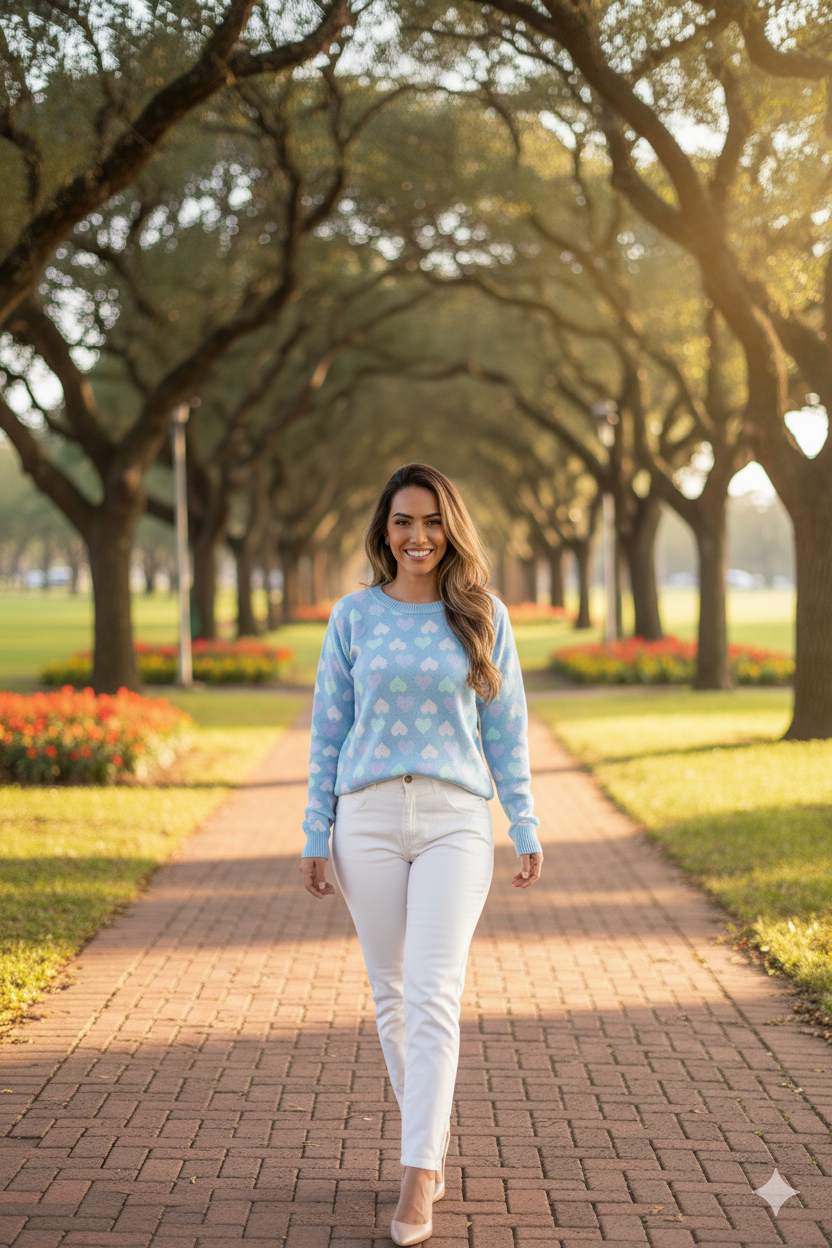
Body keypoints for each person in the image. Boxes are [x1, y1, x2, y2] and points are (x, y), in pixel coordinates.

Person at [300, 462, 543, 1246]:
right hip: (364, 818)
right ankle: (430, 1147)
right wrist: (314, 832)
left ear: (452, 529)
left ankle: (415, 1179)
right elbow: (327, 733)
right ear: (384, 530)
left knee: (435, 992)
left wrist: (525, 822)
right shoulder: (353, 618)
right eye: (404, 521)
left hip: (454, 819)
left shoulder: (482, 615)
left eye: (433, 521)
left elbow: (506, 731)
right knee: (393, 995)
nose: (418, 536)